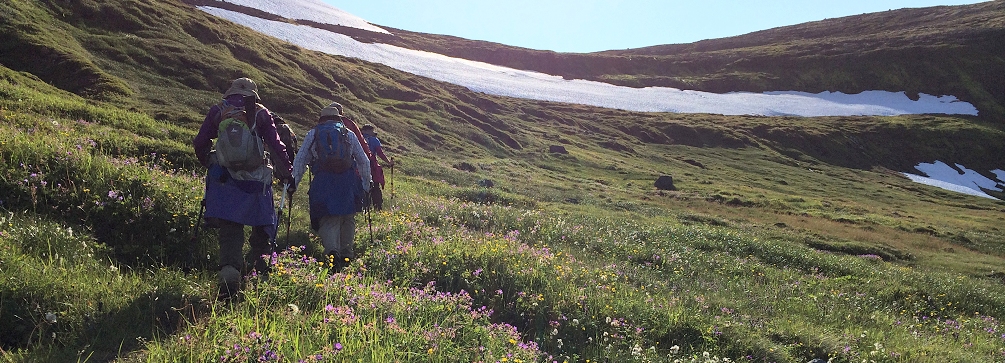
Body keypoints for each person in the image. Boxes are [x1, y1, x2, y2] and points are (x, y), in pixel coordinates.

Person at [192, 77, 295, 299]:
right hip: (256, 180)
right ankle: (257, 266)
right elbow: (277, 146)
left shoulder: (218, 111)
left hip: (226, 179)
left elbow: (200, 143)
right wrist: (287, 173)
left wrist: (211, 163)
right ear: (253, 94)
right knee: (261, 224)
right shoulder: (260, 113)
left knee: (230, 228)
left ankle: (230, 273)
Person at [291, 102, 371, 271]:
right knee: (348, 217)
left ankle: (332, 252)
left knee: (329, 218)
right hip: (347, 180)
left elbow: (300, 160)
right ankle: (347, 253)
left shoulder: (313, 134)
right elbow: (363, 160)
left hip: (324, 180)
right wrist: (365, 184)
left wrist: (293, 183)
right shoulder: (347, 133)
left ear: (321, 119)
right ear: (338, 118)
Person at [360, 124, 393, 211]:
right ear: (367, 130)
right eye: (371, 131)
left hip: (359, 165)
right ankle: (377, 206)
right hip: (372, 165)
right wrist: (388, 162)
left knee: (361, 185)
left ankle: (363, 206)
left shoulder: (358, 138)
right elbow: (380, 153)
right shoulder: (374, 140)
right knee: (375, 185)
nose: (373, 132)